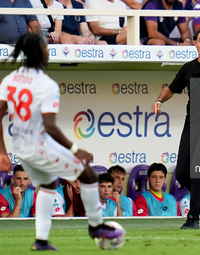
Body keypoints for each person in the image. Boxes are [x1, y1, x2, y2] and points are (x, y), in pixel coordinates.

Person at [0, 33, 123, 251]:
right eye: (46, 48)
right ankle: (96, 226)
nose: (49, 50)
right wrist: (76, 149)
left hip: (21, 149)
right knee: (89, 174)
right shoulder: (47, 85)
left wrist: (2, 151)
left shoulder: (9, 80)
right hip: (40, 147)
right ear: (38, 53)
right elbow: (50, 126)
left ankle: (41, 241)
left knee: (48, 185)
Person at [151, 26, 200, 229]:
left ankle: (193, 219)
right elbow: (172, 89)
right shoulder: (187, 68)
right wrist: (159, 100)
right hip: (191, 124)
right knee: (182, 174)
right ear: (194, 43)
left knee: (196, 170)